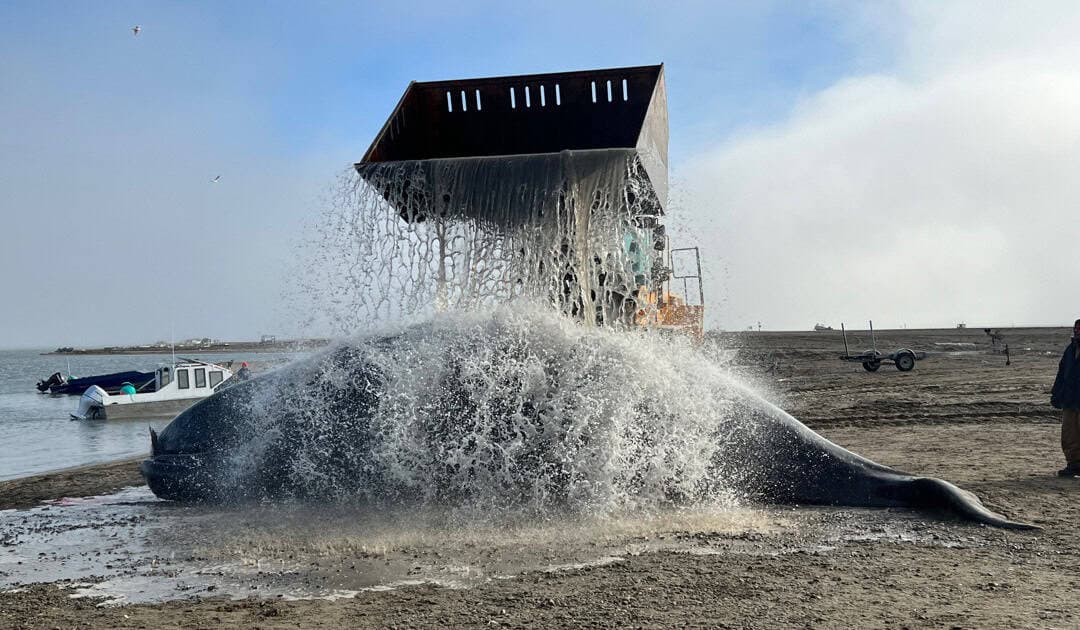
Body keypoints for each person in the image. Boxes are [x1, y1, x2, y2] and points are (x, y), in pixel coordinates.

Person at [1051, 319, 1080, 476]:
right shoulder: (1070, 350)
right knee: (1069, 434)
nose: (1077, 332)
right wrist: (1056, 393)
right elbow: (1062, 373)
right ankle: (1074, 464)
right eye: (1076, 329)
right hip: (1070, 399)